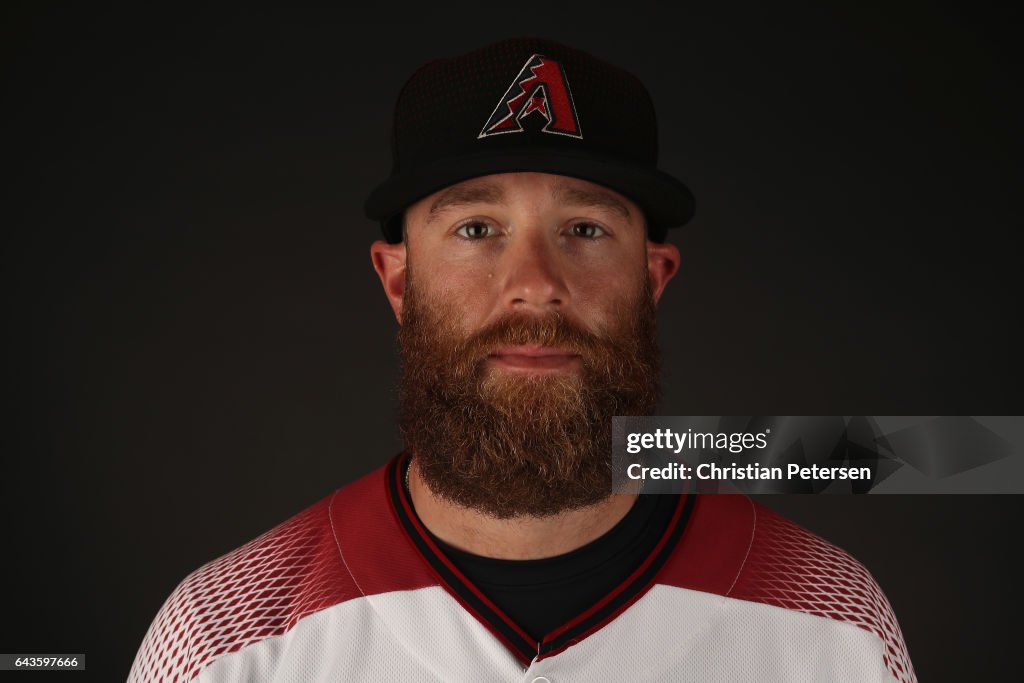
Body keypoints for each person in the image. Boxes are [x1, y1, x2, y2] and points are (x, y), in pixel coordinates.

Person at [128, 37, 915, 682]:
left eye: (585, 229)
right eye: (476, 228)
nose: (535, 286)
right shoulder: (223, 637)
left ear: (653, 277)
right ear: (399, 279)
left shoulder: (832, 624)